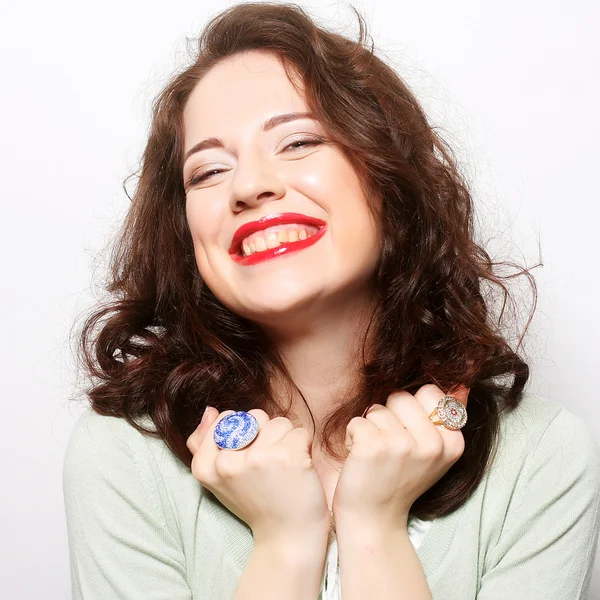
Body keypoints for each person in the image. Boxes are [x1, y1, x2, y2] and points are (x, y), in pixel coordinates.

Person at [62, 3, 600, 599]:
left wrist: (374, 527)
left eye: (298, 142)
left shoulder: (541, 457)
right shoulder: (122, 457)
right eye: (208, 171)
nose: (248, 186)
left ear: (386, 172)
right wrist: (287, 542)